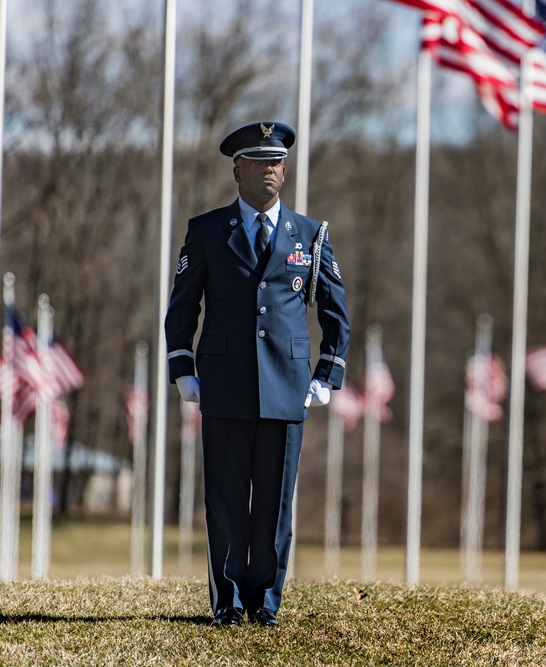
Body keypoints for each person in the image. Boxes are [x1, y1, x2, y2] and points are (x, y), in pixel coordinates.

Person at [165, 121, 350, 628]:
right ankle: (226, 602)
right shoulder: (205, 231)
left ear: (285, 171)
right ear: (236, 170)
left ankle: (264, 603)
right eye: (258, 161)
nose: (269, 170)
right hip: (223, 386)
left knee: (273, 504)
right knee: (226, 502)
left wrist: (326, 375)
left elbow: (336, 313)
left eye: (276, 161)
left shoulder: (310, 234)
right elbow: (181, 308)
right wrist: (183, 368)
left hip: (287, 388)